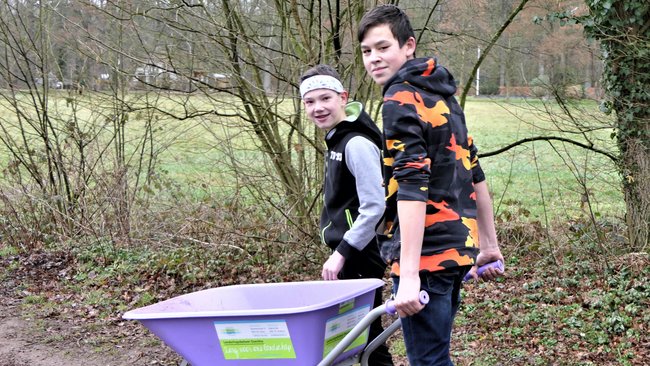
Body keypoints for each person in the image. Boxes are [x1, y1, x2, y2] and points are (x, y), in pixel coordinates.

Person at [357, 5, 504, 365]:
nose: (374, 59)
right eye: (366, 51)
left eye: (382, 47)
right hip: (455, 252)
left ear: (409, 45)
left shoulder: (399, 98)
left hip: (427, 259)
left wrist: (409, 276)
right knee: (435, 358)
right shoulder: (443, 95)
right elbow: (475, 171)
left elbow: (411, 184)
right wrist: (488, 244)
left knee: (429, 362)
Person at [299, 64, 394, 366]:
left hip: (360, 254)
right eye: (310, 102)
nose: (318, 108)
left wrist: (342, 252)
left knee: (366, 337)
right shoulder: (337, 138)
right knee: (362, 338)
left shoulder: (356, 143)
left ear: (343, 97)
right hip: (350, 254)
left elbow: (375, 206)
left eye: (325, 99)